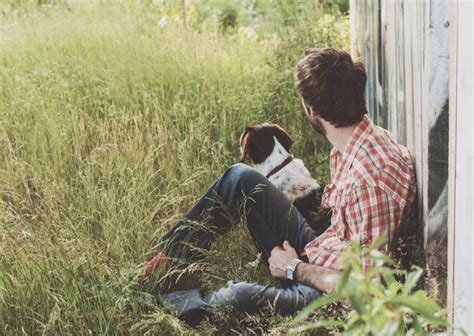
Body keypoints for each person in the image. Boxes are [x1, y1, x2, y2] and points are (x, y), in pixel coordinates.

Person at [142, 48, 417, 322]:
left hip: (330, 296)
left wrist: (294, 268)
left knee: (237, 296)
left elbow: (365, 291)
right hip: (328, 254)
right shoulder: (360, 140)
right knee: (240, 177)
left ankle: (149, 308)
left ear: (311, 110)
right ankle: (168, 259)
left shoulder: (367, 182)